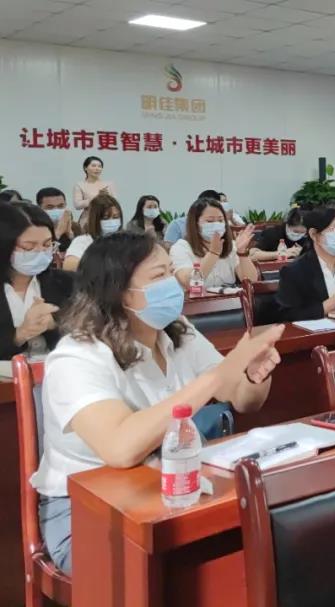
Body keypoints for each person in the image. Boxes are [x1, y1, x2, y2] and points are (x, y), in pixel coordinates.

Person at [29, 230, 283, 574]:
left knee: (262, 540)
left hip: (173, 484)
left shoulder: (177, 331)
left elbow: (242, 399)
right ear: (119, 291)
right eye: (159, 276)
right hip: (87, 511)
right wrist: (216, 378)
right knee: (195, 568)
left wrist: (253, 374)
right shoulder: (77, 356)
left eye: (171, 271)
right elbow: (120, 448)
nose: (173, 284)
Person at [0, 203, 74, 361]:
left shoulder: (68, 283)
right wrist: (19, 335)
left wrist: (55, 323)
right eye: (28, 247)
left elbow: (90, 333)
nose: (40, 252)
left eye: (47, 244)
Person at [170, 198, 258, 290]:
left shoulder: (231, 246)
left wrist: (242, 253)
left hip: (230, 298)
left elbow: (251, 281)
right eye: (210, 221)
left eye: (220, 220)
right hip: (198, 299)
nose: (216, 225)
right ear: (195, 223)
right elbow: (190, 283)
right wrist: (213, 253)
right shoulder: (181, 248)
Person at [63, 193, 123, 271]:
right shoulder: (83, 241)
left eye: (116, 217)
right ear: (94, 220)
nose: (111, 221)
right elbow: (68, 266)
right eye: (105, 218)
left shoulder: (125, 241)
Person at [35, 187, 78, 253]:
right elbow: (43, 255)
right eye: (50, 207)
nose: (56, 210)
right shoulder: (34, 229)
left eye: (60, 206)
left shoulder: (75, 227)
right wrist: (58, 233)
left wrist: (71, 236)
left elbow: (84, 253)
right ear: (39, 208)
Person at [72, 156, 115, 222]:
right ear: (85, 168)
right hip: (88, 219)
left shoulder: (109, 184)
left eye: (99, 166)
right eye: (93, 166)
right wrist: (96, 197)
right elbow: (77, 205)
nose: (97, 168)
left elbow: (115, 203)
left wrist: (107, 197)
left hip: (106, 218)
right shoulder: (79, 185)